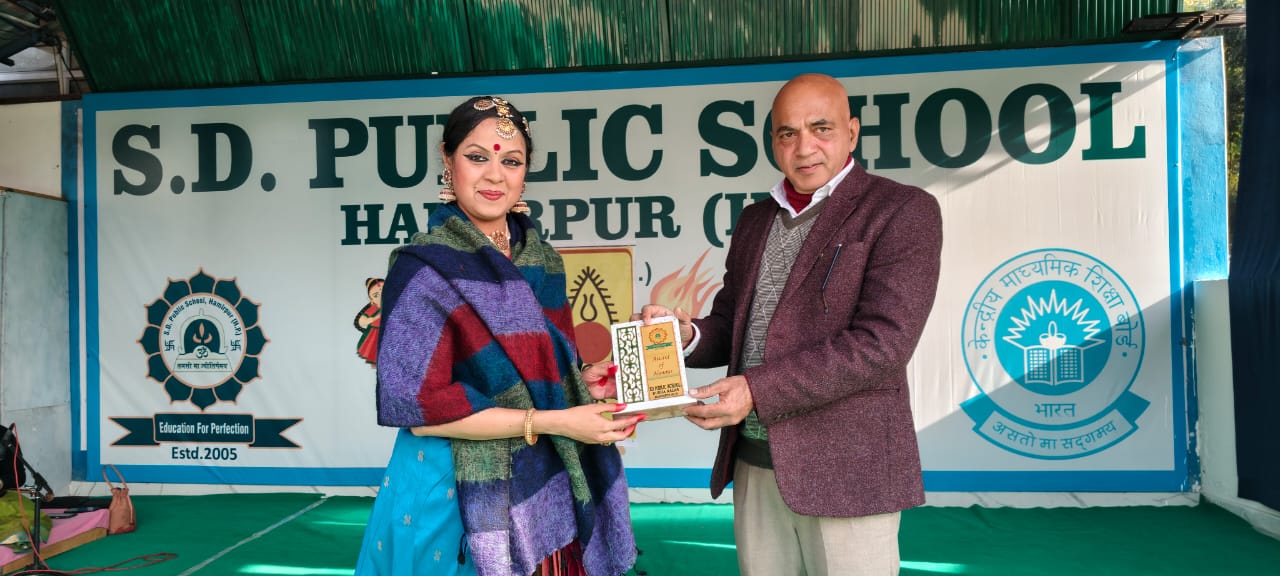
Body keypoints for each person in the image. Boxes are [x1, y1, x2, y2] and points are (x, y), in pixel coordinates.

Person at [640, 73, 943, 575]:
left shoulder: (902, 210)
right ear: (773, 141)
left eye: (821, 128)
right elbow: (732, 323)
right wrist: (683, 334)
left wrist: (755, 391)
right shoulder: (755, 219)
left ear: (852, 132)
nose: (804, 147)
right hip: (754, 461)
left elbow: (882, 344)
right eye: (787, 133)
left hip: (848, 471)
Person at [356, 95, 643, 576]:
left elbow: (544, 374)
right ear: (447, 160)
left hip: (545, 486)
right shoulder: (422, 268)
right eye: (477, 157)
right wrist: (558, 421)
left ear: (525, 172)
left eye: (511, 161)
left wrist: (585, 384)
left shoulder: (543, 261)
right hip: (454, 490)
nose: (494, 176)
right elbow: (422, 413)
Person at [353, 277, 383, 365]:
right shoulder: (374, 308)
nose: (381, 297)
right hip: (376, 334)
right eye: (376, 295)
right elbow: (361, 322)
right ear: (371, 300)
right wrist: (375, 318)